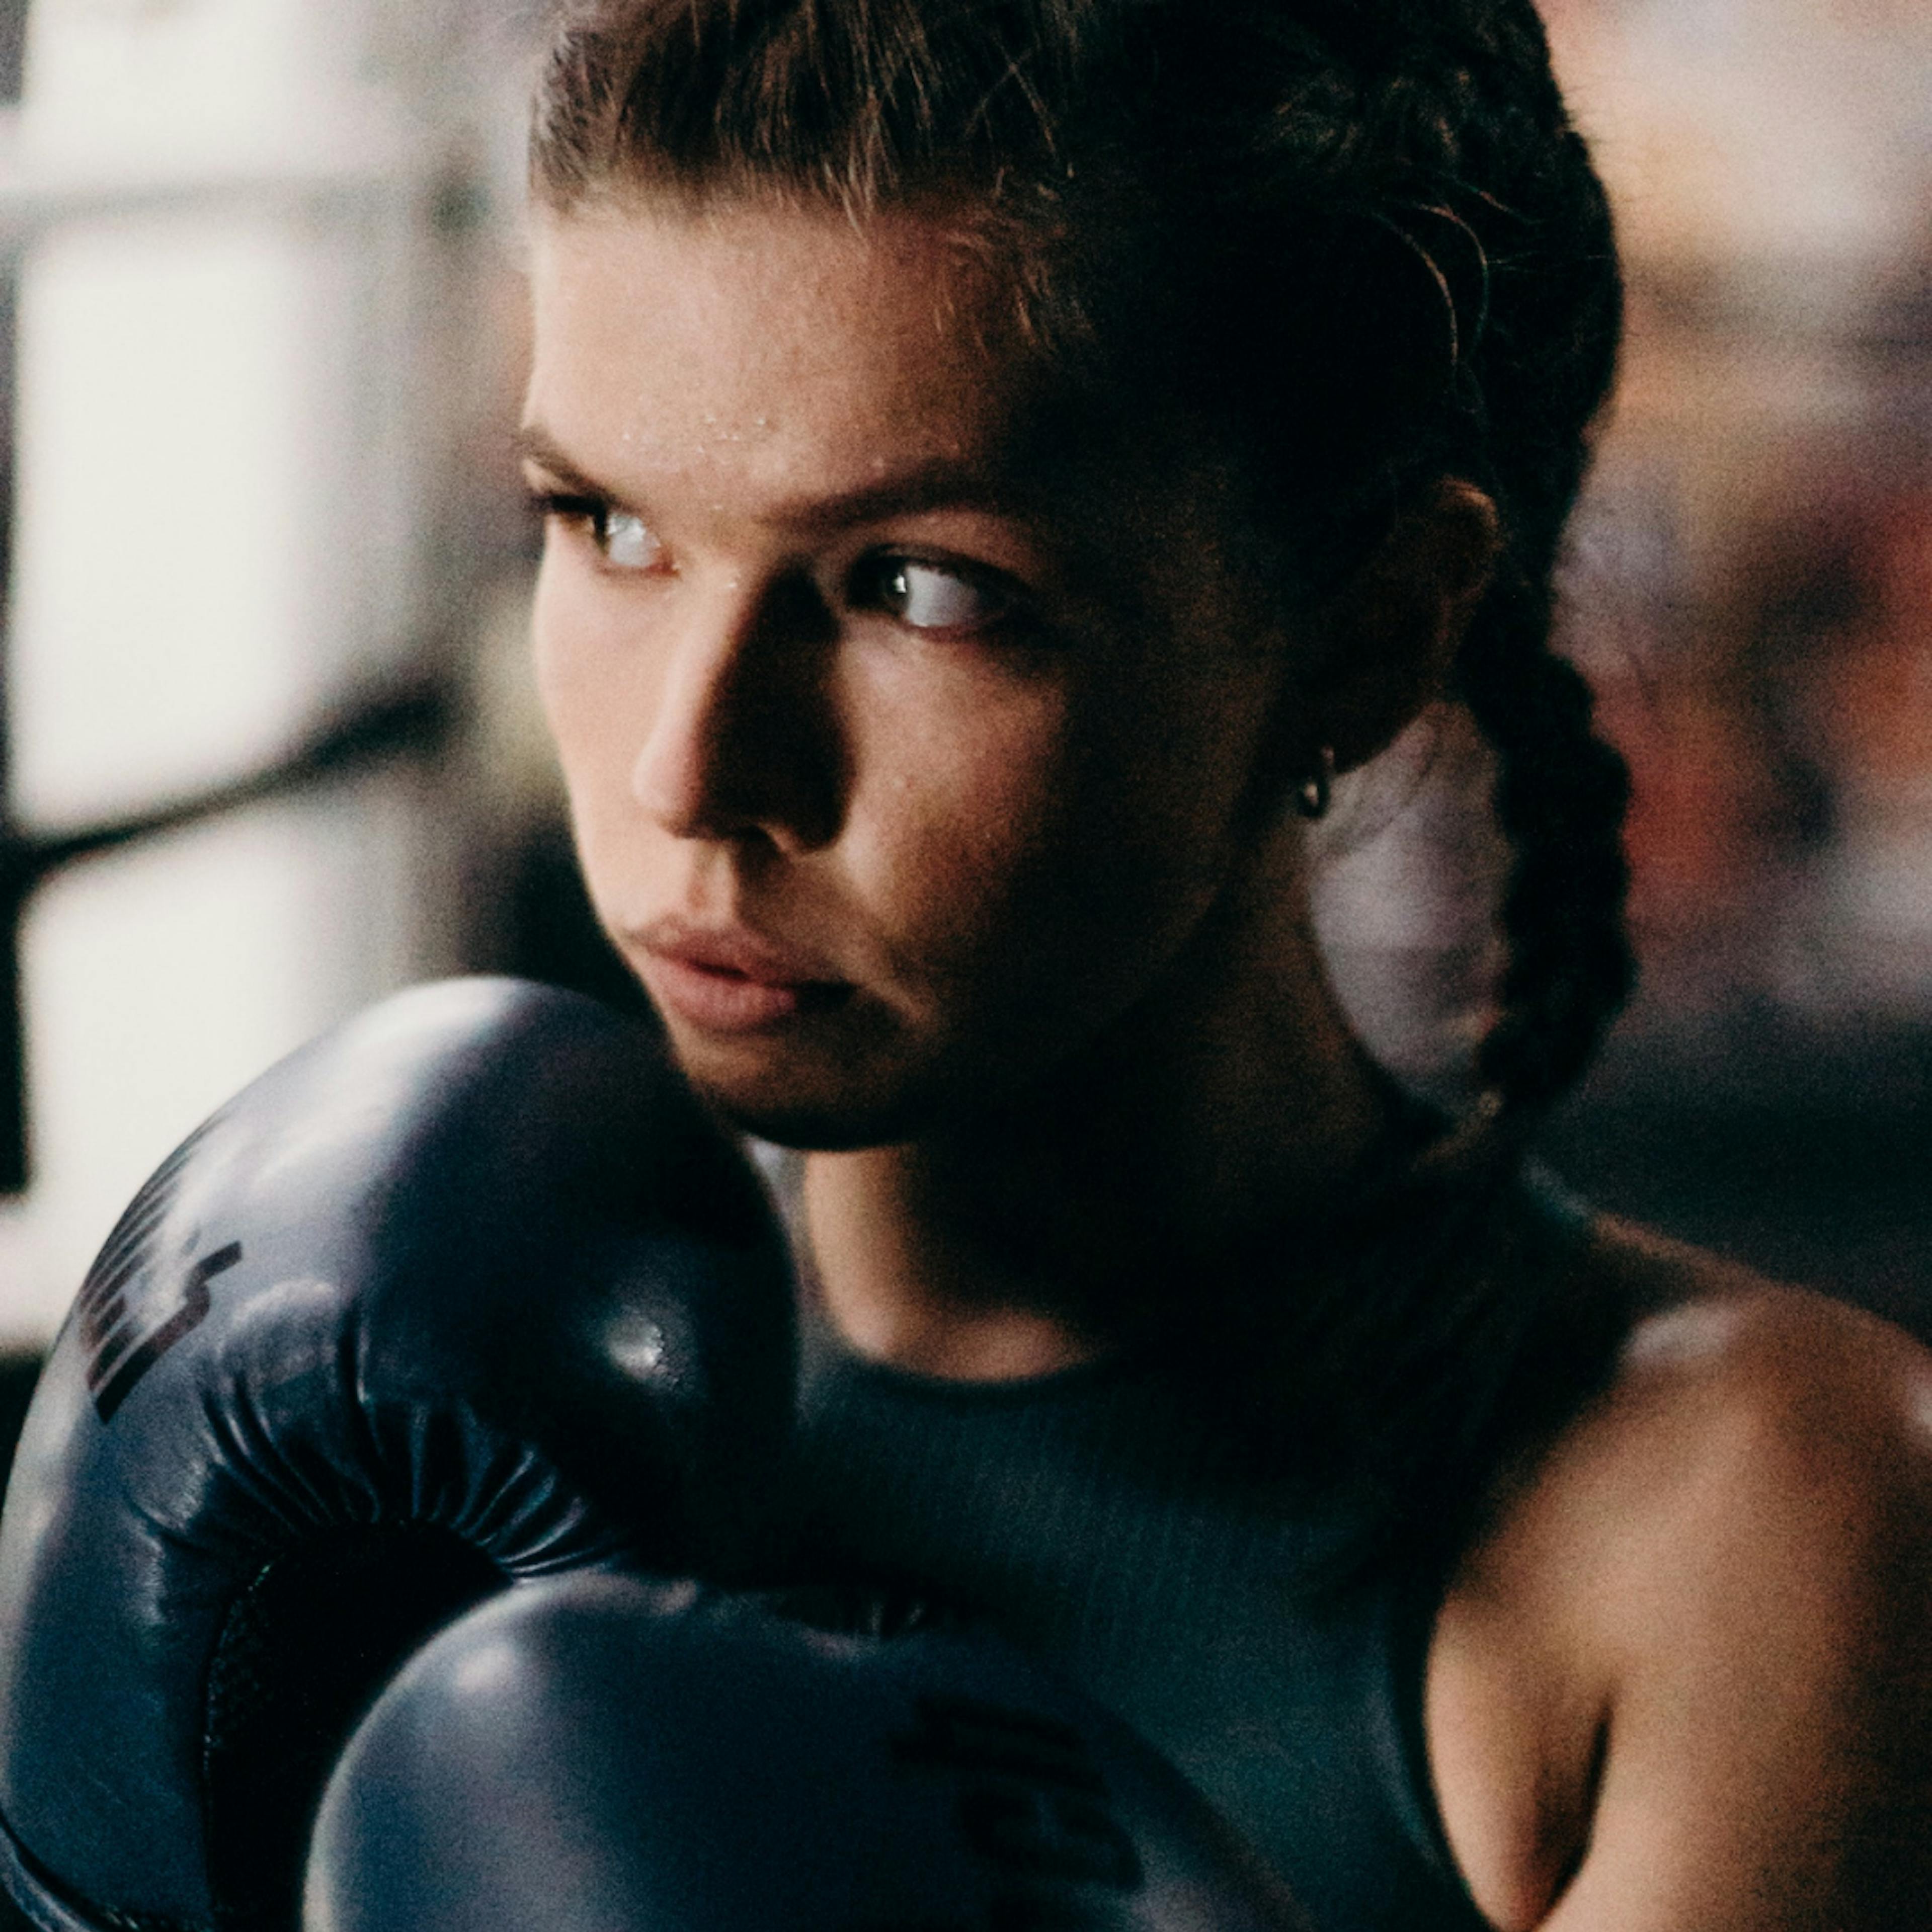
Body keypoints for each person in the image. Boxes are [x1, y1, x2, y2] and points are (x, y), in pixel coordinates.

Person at [511, 0, 1932, 1925]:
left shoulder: (1737, 1521)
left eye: (921, 587)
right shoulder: (465, 1407)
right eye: (604, 525)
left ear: (1362, 637)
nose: (694, 768)